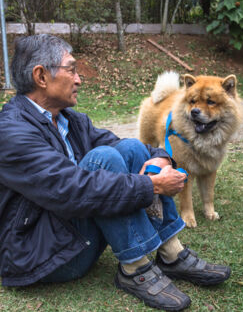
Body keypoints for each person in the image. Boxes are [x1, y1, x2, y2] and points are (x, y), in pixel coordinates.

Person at [0, 34, 230, 311]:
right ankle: (135, 269)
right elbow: (72, 190)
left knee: (131, 148)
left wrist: (159, 159)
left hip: (73, 232)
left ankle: (171, 253)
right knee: (103, 160)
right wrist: (152, 186)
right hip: (42, 256)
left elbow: (124, 145)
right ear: (41, 76)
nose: (78, 79)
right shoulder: (11, 131)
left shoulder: (70, 119)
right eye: (71, 69)